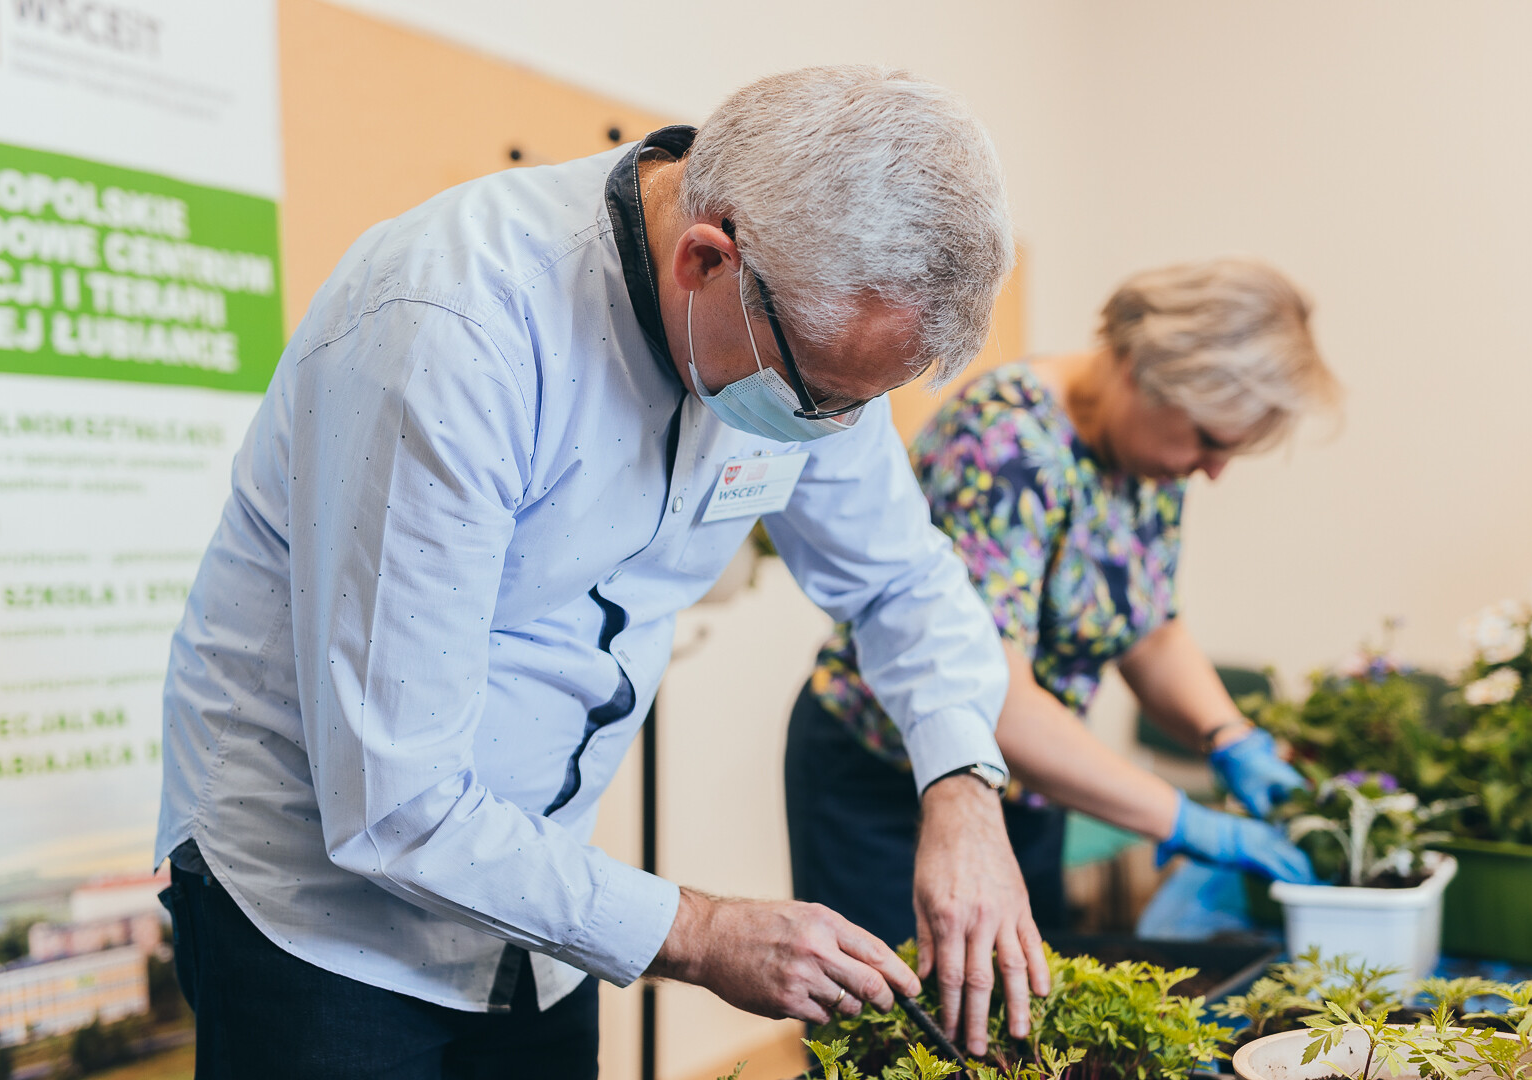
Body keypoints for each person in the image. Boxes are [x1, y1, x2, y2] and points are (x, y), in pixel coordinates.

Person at [154, 66, 1046, 1079]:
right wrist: (702, 931)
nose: (835, 428)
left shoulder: (803, 327)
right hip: (318, 914)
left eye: (862, 401)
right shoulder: (454, 326)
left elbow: (899, 579)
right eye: (822, 396)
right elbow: (396, 802)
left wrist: (964, 788)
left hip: (537, 904)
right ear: (707, 259)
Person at [787, 258, 1341, 947]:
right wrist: (1181, 819)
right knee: (899, 1006)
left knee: (1018, 996)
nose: (1214, 471)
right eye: (1208, 441)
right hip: (888, 785)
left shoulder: (1146, 458)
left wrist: (1229, 737)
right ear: (1144, 372)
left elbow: (1149, 628)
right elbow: (993, 697)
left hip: (1028, 788)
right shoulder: (1005, 443)